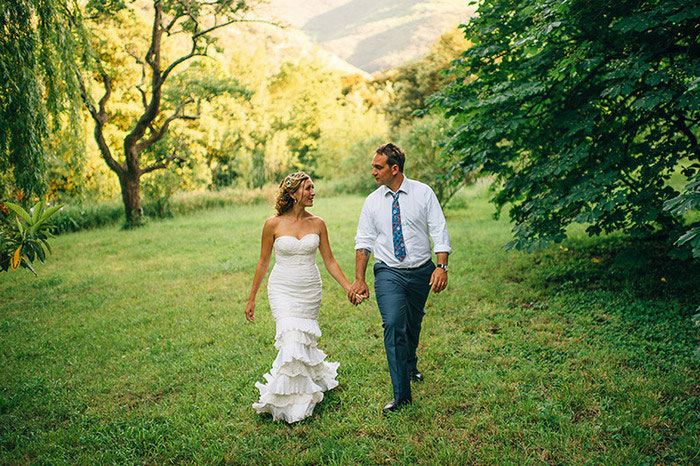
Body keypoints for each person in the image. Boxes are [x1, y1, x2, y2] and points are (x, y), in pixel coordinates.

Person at [245, 171, 360, 423]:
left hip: (309, 289)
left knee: (303, 340)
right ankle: (290, 404)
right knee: (291, 339)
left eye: (312, 188)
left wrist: (348, 287)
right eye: (307, 188)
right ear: (293, 192)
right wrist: (252, 297)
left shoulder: (318, 223)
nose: (312, 192)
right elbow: (263, 262)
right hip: (282, 289)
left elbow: (329, 260)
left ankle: (309, 384)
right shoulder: (272, 224)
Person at [349, 143, 451, 413]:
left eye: (378, 167)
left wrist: (441, 267)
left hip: (421, 271)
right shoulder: (372, 201)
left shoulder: (423, 193)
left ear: (395, 169)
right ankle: (402, 394)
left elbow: (439, 230)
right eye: (373, 166)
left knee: (412, 324)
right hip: (388, 272)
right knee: (394, 324)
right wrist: (359, 279)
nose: (373, 172)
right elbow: (363, 242)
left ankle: (411, 363)